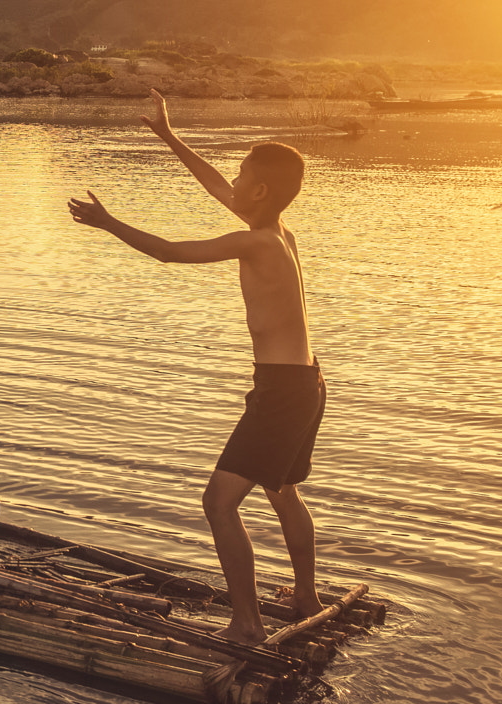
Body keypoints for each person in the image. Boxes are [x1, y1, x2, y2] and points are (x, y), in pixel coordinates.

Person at [66, 88, 322, 645]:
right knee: (282, 491)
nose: (228, 185)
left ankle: (247, 623)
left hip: (282, 392)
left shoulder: (255, 242)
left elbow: (169, 252)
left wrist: (109, 222)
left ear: (257, 191)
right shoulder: (279, 231)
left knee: (219, 503)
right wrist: (168, 136)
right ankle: (305, 596)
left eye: (239, 177)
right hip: (304, 380)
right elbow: (215, 185)